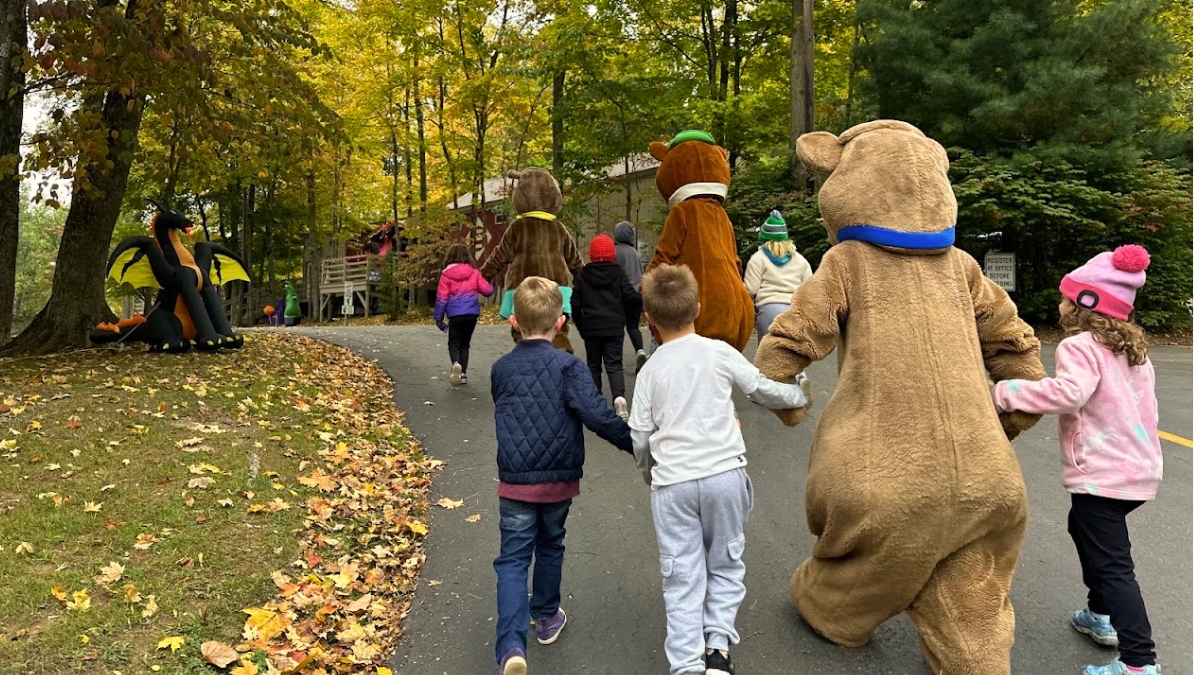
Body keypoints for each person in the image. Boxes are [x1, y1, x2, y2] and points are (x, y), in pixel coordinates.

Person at [628, 264, 811, 675]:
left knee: (682, 574)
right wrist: (796, 393)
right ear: (697, 307)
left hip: (672, 485)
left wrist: (650, 473)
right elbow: (762, 388)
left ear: (649, 319)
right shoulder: (718, 352)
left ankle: (686, 664)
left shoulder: (650, 371)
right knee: (726, 563)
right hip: (725, 477)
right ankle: (718, 649)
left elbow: (640, 435)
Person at [992, 245, 1161, 675]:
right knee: (1087, 532)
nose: (1061, 302)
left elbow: (1069, 393)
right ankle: (1100, 616)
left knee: (1113, 562)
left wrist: (1004, 391)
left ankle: (1139, 663)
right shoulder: (1134, 349)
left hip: (1102, 473)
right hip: (1138, 470)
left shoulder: (1081, 346)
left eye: (1067, 295)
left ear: (1085, 304)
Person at [491, 276, 634, 675]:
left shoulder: (501, 369)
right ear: (560, 322)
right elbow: (597, 416)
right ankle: (547, 616)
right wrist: (637, 444)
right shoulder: (568, 366)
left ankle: (511, 645)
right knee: (551, 544)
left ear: (514, 321)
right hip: (558, 479)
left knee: (513, 559)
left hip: (515, 482)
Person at [571, 234, 642, 420]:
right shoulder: (618, 273)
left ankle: (595, 404)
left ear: (592, 254)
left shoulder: (583, 275)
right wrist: (634, 310)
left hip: (591, 328)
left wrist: (581, 325)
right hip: (614, 328)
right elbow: (630, 296)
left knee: (594, 366)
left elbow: (575, 303)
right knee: (614, 364)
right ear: (612, 254)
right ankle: (619, 398)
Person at [742, 210, 812, 342]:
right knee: (790, 356)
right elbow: (810, 288)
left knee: (767, 357)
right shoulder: (800, 260)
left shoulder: (758, 259)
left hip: (768, 312)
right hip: (794, 312)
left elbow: (750, 289)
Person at [434, 243, 494, 385]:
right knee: (465, 344)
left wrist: (439, 318)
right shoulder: (474, 273)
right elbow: (488, 291)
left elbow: (442, 299)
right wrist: (489, 282)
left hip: (455, 315)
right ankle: (463, 375)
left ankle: (456, 364)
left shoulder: (446, 276)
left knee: (454, 342)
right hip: (471, 314)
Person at [614, 220, 649, 372]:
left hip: (620, 295)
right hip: (636, 295)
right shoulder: (634, 253)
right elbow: (641, 274)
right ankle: (640, 351)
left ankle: (616, 360)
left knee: (618, 328)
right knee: (633, 327)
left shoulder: (615, 251)